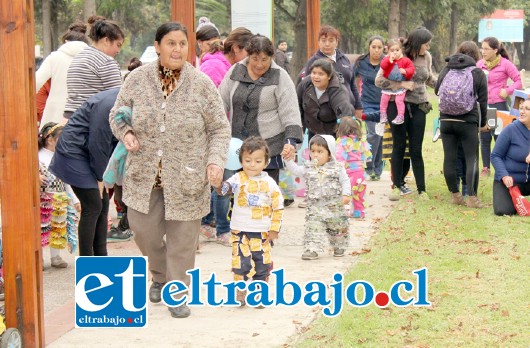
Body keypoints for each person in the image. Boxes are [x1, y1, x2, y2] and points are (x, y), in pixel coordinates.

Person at [109, 22, 231, 319]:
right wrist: (125, 133)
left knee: (183, 240)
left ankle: (176, 291)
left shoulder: (201, 83)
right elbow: (117, 114)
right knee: (143, 231)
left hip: (187, 175)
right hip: (144, 174)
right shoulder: (136, 79)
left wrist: (214, 161)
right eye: (171, 43)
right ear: (158, 45)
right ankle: (159, 273)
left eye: (182, 44)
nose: (177, 49)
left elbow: (219, 128)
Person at [219, 34, 303, 185]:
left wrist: (290, 141)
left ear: (272, 57)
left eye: (264, 59)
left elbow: (290, 111)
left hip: (269, 148)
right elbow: (220, 102)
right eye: (255, 59)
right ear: (248, 55)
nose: (259, 64)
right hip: (238, 148)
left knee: (266, 196)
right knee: (240, 195)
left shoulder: (280, 76)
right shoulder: (235, 71)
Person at [50, 87, 120, 256]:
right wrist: (100, 176)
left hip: (91, 152)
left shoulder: (125, 101)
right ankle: (87, 260)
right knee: (93, 205)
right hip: (73, 152)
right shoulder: (109, 104)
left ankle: (101, 257)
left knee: (102, 204)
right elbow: (98, 143)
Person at [199, 28, 253, 245]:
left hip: (228, 133)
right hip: (213, 133)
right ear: (237, 48)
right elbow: (206, 103)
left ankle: (211, 224)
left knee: (222, 181)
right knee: (222, 181)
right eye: (248, 53)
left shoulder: (234, 67)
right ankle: (219, 228)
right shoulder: (213, 66)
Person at [215, 136, 284, 306]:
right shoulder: (237, 179)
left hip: (262, 232)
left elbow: (278, 206)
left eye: (257, 161)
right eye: (247, 160)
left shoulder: (270, 184)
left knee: (262, 263)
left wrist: (275, 229)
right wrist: (218, 184)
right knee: (240, 262)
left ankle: (259, 293)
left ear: (266, 162)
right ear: (240, 161)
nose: (252, 164)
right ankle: (241, 289)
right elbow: (224, 190)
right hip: (240, 231)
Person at [375, 26, 436, 200]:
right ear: (418, 43)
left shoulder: (427, 57)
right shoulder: (397, 55)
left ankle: (422, 189)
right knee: (399, 146)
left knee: (416, 148)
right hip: (397, 105)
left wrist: (444, 86)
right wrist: (401, 85)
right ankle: (396, 185)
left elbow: (429, 78)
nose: (428, 47)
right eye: (426, 44)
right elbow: (379, 80)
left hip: (419, 105)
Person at [435, 41, 488, 208]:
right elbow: (483, 101)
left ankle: (455, 195)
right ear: (476, 56)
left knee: (449, 158)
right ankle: (472, 198)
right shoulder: (477, 72)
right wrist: (483, 122)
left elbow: (437, 90)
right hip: (467, 121)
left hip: (446, 120)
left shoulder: (447, 69)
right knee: (471, 158)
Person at [283, 135, 351, 260]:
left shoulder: (337, 168)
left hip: (334, 206)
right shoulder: (308, 168)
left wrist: (346, 195)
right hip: (315, 208)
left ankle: (338, 245)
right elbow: (295, 170)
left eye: (320, 152)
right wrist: (287, 159)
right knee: (313, 228)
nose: (315, 155)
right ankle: (312, 249)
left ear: (329, 153)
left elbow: (345, 180)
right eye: (312, 151)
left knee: (336, 228)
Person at [477, 37, 523, 177]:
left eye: (486, 49)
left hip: (499, 105)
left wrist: (507, 91)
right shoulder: (479, 64)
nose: (483, 51)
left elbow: (518, 81)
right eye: (482, 48)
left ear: (495, 50)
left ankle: (501, 166)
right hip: (484, 105)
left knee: (500, 138)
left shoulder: (505, 64)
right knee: (484, 137)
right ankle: (485, 167)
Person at [64, 15, 124, 118]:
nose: (118, 51)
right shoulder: (106, 62)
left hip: (70, 119)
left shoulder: (79, 57)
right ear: (106, 41)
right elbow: (118, 99)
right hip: (90, 120)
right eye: (118, 45)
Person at [38, 123, 80, 268]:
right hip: (42, 199)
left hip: (60, 198)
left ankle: (55, 257)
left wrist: (74, 200)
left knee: (57, 227)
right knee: (41, 229)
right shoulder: (37, 157)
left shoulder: (61, 157)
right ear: (50, 140)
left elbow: (66, 182)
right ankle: (39, 258)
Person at [35, 22, 89, 127]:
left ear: (66, 41)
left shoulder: (55, 57)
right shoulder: (92, 58)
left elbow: (36, 82)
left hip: (55, 114)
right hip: (83, 115)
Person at [304, 25, 362, 118]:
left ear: (336, 42)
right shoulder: (313, 61)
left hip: (347, 111)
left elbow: (352, 84)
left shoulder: (344, 59)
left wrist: (358, 107)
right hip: (324, 115)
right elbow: (307, 88)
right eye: (323, 40)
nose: (327, 44)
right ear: (318, 42)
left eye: (331, 40)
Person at [491, 98, 530, 216]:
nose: (522, 111)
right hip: (509, 181)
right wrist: (504, 175)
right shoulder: (510, 129)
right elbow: (495, 155)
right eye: (521, 108)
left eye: (527, 109)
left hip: (528, 181)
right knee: (504, 211)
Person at [354, 35, 385, 181]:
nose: (376, 50)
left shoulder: (387, 62)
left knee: (379, 135)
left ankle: (377, 168)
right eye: (374, 47)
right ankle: (369, 166)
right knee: (373, 133)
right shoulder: (361, 62)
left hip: (383, 104)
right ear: (369, 47)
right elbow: (351, 80)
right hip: (366, 103)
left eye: (379, 47)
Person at [297, 58, 354, 138]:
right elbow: (297, 107)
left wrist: (344, 140)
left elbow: (344, 116)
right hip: (313, 130)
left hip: (333, 133)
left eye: (321, 74)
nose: (316, 77)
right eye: (314, 73)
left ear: (329, 76)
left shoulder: (337, 90)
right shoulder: (305, 84)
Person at [335, 117, 372, 218]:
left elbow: (339, 157)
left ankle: (344, 212)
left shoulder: (342, 142)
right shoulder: (360, 141)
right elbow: (367, 156)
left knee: (345, 194)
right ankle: (359, 212)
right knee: (359, 195)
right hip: (360, 173)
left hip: (347, 174)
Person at [379, 39, 415, 125]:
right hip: (389, 85)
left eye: (397, 50)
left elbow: (412, 69)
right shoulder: (386, 59)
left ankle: (400, 116)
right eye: (392, 50)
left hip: (400, 86)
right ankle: (383, 114)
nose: (395, 52)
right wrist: (389, 61)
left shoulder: (405, 60)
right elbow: (383, 66)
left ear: (401, 50)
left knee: (399, 101)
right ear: (388, 51)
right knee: (384, 99)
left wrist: (405, 71)